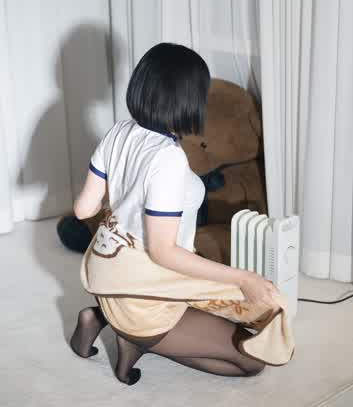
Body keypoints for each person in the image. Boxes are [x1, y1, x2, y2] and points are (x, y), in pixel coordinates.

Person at [70, 42, 281, 384]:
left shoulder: (119, 131)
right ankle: (137, 338)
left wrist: (127, 204)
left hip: (106, 274)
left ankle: (102, 317)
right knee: (253, 361)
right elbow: (163, 252)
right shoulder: (168, 158)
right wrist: (243, 278)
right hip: (142, 295)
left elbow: (84, 209)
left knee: (225, 306)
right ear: (189, 100)